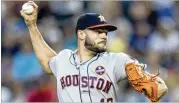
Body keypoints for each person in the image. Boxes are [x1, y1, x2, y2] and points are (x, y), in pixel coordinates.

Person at [20, 1, 168, 102]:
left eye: (105, 31)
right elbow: (47, 61)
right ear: (81, 34)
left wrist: (151, 83)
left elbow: (160, 89)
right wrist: (32, 26)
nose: (104, 35)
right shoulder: (64, 58)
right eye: (98, 31)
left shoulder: (116, 60)